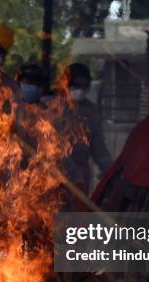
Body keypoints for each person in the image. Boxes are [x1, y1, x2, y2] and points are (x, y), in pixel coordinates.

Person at [53, 63, 112, 197]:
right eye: (76, 84)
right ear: (66, 83)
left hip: (81, 175)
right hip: (55, 172)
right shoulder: (51, 107)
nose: (80, 89)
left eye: (84, 85)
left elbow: (99, 148)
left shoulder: (92, 112)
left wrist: (111, 172)